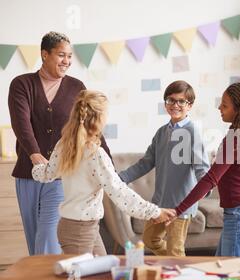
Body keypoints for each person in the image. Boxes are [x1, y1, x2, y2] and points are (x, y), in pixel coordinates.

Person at [32, 90, 175, 256]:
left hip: (79, 226)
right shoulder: (95, 154)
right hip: (80, 231)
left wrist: (36, 167)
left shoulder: (64, 144)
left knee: (103, 272)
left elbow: (47, 174)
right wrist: (155, 212)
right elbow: (119, 192)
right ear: (98, 118)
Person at [8, 31, 111, 255]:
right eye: (61, 55)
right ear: (45, 54)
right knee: (34, 239)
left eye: (69, 56)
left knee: (48, 237)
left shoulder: (76, 87)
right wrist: (34, 155)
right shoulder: (22, 84)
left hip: (61, 175)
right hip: (28, 173)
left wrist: (109, 164)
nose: (67, 61)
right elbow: (20, 123)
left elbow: (91, 126)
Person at [169, 82, 240, 257]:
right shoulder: (239, 133)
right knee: (219, 264)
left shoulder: (235, 138)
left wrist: (178, 210)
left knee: (230, 271)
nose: (219, 108)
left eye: (225, 105)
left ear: (239, 109)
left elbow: (210, 179)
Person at [119, 80, 210, 256]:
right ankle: (170, 265)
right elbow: (146, 162)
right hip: (159, 203)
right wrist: (120, 178)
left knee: (175, 250)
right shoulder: (162, 132)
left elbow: (202, 168)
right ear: (165, 103)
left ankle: (178, 276)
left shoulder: (193, 132)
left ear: (189, 105)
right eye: (171, 100)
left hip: (181, 205)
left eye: (181, 101)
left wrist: (205, 188)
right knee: (149, 239)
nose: (175, 105)